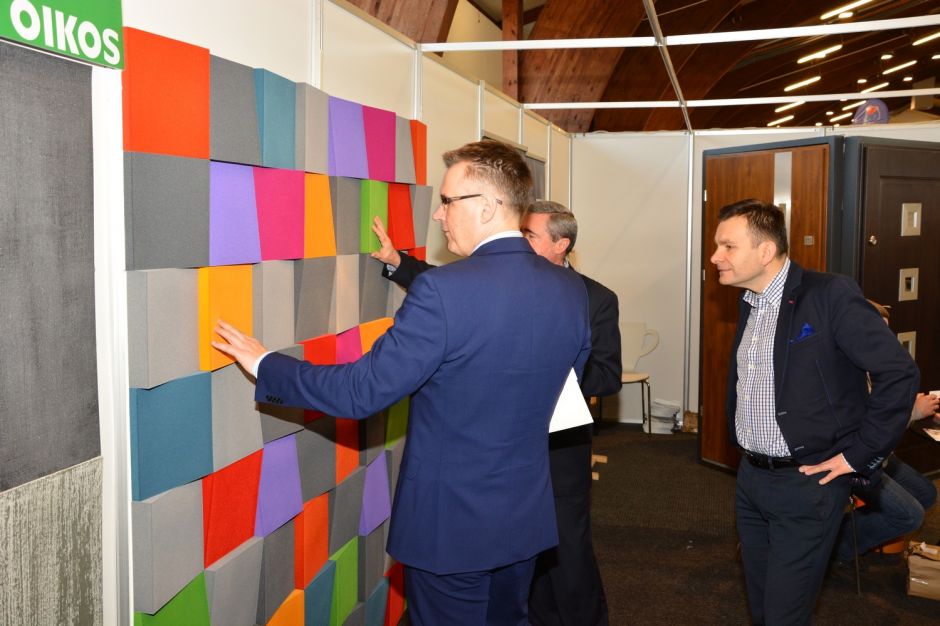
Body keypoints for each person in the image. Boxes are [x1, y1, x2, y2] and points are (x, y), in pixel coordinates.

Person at [213, 139, 592, 626]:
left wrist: (267, 364)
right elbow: (565, 391)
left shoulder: (443, 291)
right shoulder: (570, 289)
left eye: (448, 201)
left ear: (487, 207)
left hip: (450, 528)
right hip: (524, 517)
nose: (438, 214)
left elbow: (360, 392)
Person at [371, 200, 619, 625]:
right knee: (519, 570)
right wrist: (398, 261)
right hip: (499, 458)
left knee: (568, 558)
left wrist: (548, 372)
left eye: (531, 236)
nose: (520, 242)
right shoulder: (493, 282)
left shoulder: (594, 297)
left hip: (557, 452)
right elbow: (452, 292)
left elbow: (608, 375)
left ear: (560, 244)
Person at [709, 199, 919, 625]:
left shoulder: (829, 294)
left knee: (784, 615)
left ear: (765, 251)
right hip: (751, 479)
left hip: (808, 483)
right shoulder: (750, 302)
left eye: (727, 246)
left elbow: (898, 374)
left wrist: (858, 455)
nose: (715, 257)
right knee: (762, 606)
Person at [830, 301, 938, 566]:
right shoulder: (843, 373)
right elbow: (864, 430)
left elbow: (885, 413)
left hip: (877, 455)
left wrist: (915, 408)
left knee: (926, 493)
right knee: (909, 515)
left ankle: (847, 533)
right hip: (852, 460)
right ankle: (834, 545)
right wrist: (912, 412)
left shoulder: (874, 368)